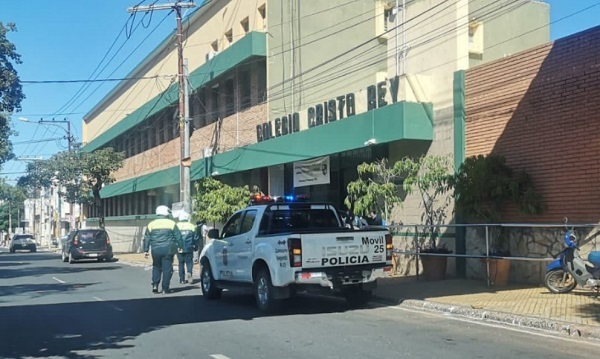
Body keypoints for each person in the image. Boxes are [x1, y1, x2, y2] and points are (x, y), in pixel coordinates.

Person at [143, 205, 183, 294]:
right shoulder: (172, 223)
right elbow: (178, 236)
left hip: (155, 249)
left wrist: (145, 250)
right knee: (167, 268)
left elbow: (147, 238)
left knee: (156, 266)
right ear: (165, 213)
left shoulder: (151, 224)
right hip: (169, 249)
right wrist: (180, 246)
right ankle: (165, 288)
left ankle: (155, 285)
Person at [175, 211, 199, 284]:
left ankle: (182, 279)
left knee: (181, 263)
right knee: (189, 262)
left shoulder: (176, 226)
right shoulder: (192, 226)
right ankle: (189, 272)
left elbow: (173, 237)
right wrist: (195, 246)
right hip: (189, 247)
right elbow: (196, 237)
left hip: (179, 248)